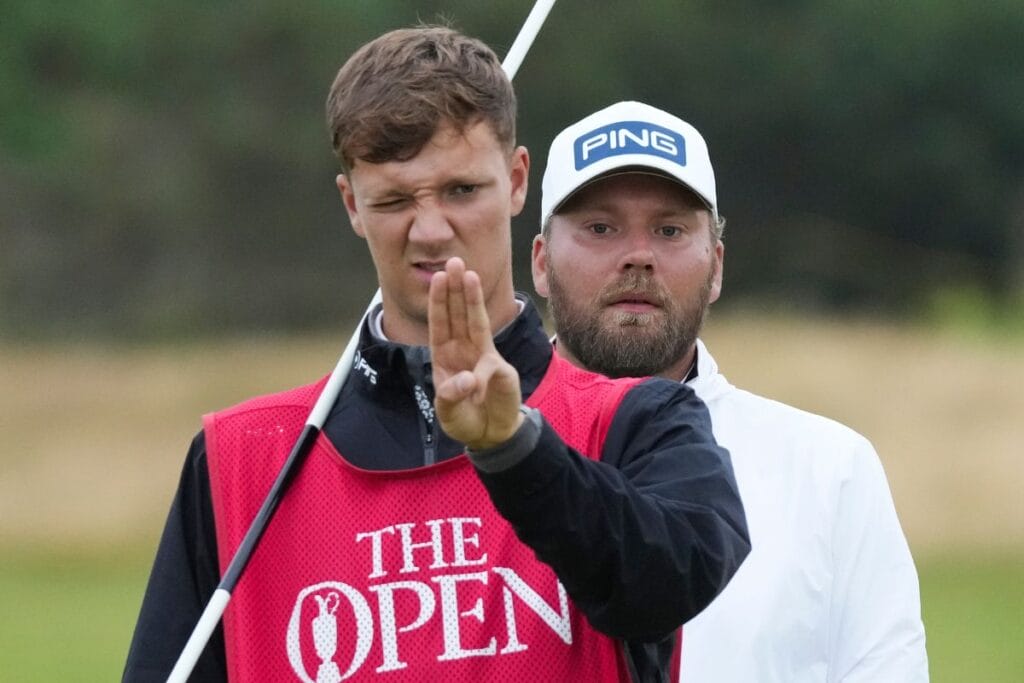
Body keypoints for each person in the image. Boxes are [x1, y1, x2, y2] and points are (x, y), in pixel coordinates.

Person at [123, 32, 750, 682]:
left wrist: (515, 449)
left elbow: (675, 577)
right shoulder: (242, 460)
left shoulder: (638, 419)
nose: (429, 230)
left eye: (460, 191)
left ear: (514, 182)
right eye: (395, 200)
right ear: (351, 205)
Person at [532, 100, 929, 682]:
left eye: (670, 230)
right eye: (600, 228)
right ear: (541, 264)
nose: (637, 256)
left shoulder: (829, 469)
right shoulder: (473, 457)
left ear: (716, 267)